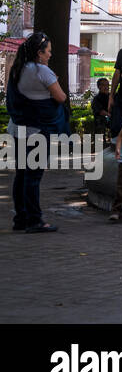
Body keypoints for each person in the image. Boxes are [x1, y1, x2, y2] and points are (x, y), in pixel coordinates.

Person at [7, 31, 68, 233]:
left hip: (17, 128)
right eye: (48, 51)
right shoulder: (42, 72)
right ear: (39, 53)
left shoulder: (19, 68)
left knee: (22, 174)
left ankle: (21, 218)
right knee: (33, 177)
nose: (50, 55)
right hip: (36, 130)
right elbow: (61, 97)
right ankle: (35, 220)